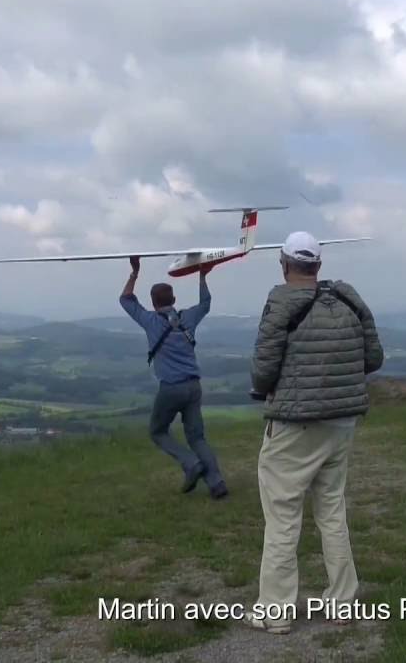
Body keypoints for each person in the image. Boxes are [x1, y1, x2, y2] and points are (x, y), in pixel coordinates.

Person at [246, 231, 384, 634]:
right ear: (318, 265)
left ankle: (276, 611)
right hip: (342, 421)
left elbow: (263, 369)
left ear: (284, 264)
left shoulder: (281, 302)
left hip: (294, 423)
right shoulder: (347, 300)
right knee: (332, 510)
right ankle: (342, 602)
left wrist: (268, 388)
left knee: (283, 516)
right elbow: (374, 358)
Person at [120, 257, 227, 499]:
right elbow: (206, 303)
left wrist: (134, 273)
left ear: (153, 302)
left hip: (170, 388)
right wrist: (202, 276)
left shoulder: (150, 321)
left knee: (157, 431)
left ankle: (191, 463)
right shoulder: (187, 318)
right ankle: (217, 483)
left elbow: (125, 299)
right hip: (194, 386)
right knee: (197, 437)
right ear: (174, 299)